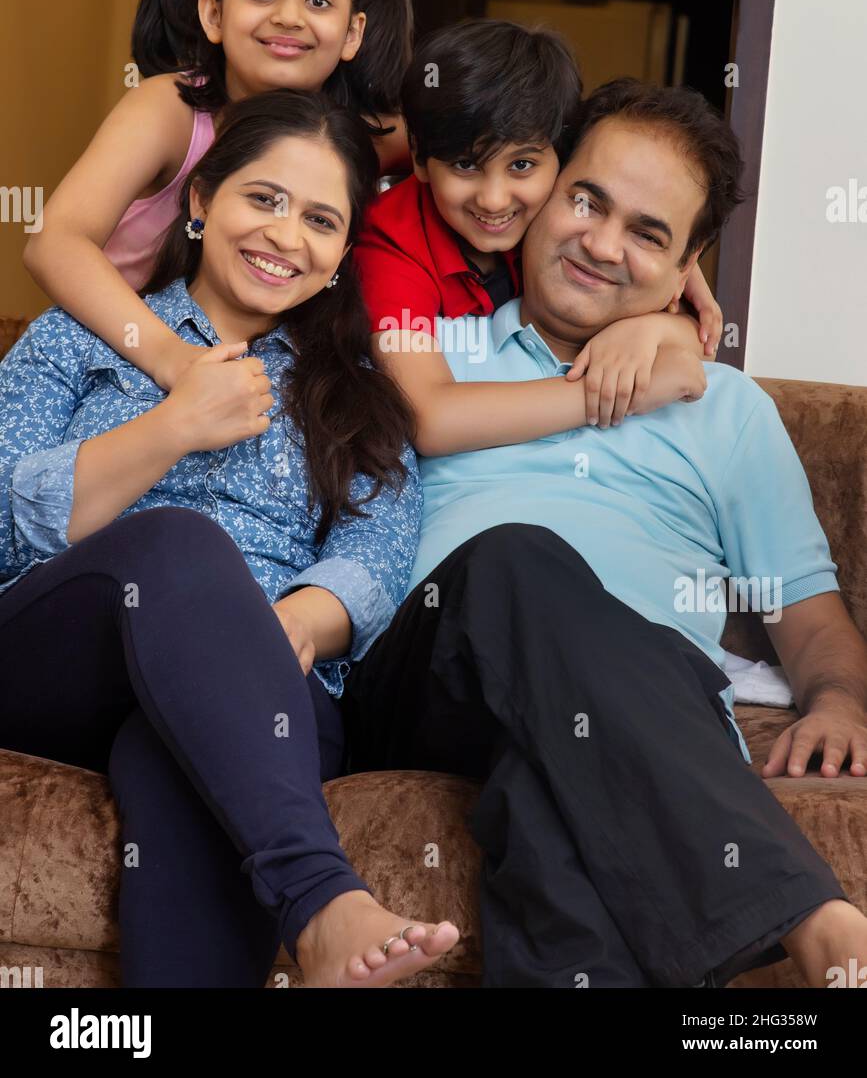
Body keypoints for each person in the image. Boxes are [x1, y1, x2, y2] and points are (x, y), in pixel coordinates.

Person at [341, 78, 867, 988]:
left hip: (622, 711)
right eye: (586, 200)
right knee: (518, 557)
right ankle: (808, 913)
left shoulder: (725, 407)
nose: (600, 244)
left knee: (551, 800)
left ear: (685, 266)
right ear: (543, 187)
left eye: (647, 235)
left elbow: (809, 620)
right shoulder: (423, 351)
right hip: (425, 676)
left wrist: (840, 703)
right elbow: (336, 155)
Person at [0, 89, 458, 988]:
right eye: (265, 198)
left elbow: (376, 553)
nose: (287, 236)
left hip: (259, 689)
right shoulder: (78, 335)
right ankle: (321, 898)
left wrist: (295, 622)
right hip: (55, 659)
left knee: (181, 746)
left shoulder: (358, 394)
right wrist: (170, 426)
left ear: (339, 257)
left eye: (322, 220)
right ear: (202, 198)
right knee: (177, 543)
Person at [23, 0, 413, 396]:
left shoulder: (357, 140)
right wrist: (170, 356)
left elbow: (477, 149)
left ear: (352, 32)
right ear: (213, 12)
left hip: (250, 380)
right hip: (115, 364)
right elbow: (54, 242)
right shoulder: (169, 110)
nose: (289, 17)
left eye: (318, 1)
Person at [355, 19, 724, 456]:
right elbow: (428, 420)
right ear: (419, 157)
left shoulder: (559, 215)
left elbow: (694, 349)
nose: (494, 201)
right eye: (465, 165)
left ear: (561, 156)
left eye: (522, 166)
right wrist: (608, 396)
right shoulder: (389, 245)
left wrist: (655, 324)